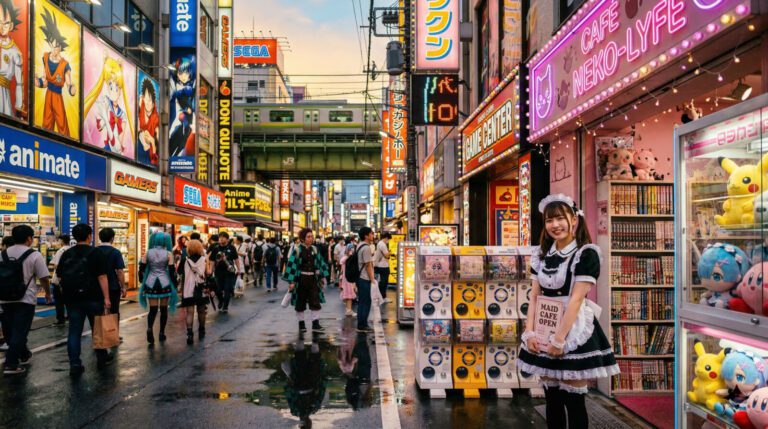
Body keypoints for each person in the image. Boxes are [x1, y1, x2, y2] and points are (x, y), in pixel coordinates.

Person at [518, 194, 620, 429]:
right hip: (544, 326)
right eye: (549, 220)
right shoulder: (542, 254)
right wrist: (530, 332)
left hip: (572, 330)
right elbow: (534, 296)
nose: (555, 225)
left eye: (560, 219)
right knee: (551, 398)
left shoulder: (586, 253)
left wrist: (559, 339)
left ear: (574, 219)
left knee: (574, 401)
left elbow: (575, 300)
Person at [57, 224, 112, 375]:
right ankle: (102, 357)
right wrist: (107, 298)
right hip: (94, 297)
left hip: (72, 298)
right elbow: (102, 276)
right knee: (97, 328)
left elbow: (60, 275)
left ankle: (75, 364)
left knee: (74, 331)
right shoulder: (96, 253)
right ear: (89, 236)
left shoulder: (67, 254)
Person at [0, 225, 51, 375]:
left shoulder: (2, 254)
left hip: (5, 298)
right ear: (29, 238)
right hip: (26, 299)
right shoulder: (34, 255)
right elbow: (43, 277)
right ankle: (11, 364)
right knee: (20, 331)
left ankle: (23, 354)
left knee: (11, 330)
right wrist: (48, 294)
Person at [283, 228, 329, 332]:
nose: (311, 238)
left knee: (315, 300)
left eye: (311, 236)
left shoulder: (315, 249)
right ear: (303, 239)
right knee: (300, 302)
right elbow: (292, 266)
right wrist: (291, 281)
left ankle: (315, 324)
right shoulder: (297, 250)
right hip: (301, 280)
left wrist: (322, 277)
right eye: (308, 237)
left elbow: (321, 263)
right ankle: (301, 324)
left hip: (313, 279)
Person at [139, 232, 178, 345]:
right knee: (164, 310)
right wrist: (174, 285)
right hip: (164, 283)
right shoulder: (168, 254)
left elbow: (141, 269)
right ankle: (161, 333)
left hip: (150, 283)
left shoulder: (147, 253)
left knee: (153, 310)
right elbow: (171, 272)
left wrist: (142, 281)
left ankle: (150, 328)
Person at [177, 239, 208, 344]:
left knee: (190, 312)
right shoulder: (204, 259)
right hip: (201, 288)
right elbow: (208, 273)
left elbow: (179, 272)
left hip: (188, 289)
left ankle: (189, 334)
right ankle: (201, 329)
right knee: (201, 310)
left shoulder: (184, 260)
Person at [208, 232, 240, 313]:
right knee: (218, 289)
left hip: (229, 272)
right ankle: (221, 300)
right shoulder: (216, 248)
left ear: (227, 239)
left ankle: (225, 306)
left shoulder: (232, 248)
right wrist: (210, 269)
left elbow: (236, 259)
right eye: (220, 237)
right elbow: (211, 260)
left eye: (223, 237)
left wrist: (238, 269)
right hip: (218, 272)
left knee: (227, 289)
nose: (221, 239)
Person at [98, 228, 126, 319]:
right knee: (114, 312)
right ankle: (112, 332)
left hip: (97, 286)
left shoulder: (94, 251)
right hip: (112, 287)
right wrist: (123, 287)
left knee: (98, 313)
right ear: (112, 238)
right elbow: (120, 271)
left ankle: (99, 331)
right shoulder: (115, 252)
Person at [355, 227, 376, 333]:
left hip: (359, 277)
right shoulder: (366, 247)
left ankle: (361, 323)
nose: (373, 235)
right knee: (366, 302)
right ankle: (362, 325)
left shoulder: (359, 245)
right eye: (371, 233)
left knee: (362, 302)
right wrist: (372, 279)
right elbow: (368, 265)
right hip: (364, 278)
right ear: (366, 236)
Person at [49, 234, 72, 325]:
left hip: (59, 280)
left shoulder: (60, 251)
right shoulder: (71, 250)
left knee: (59, 301)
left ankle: (60, 319)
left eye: (59, 240)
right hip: (70, 279)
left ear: (62, 241)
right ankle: (70, 315)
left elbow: (57, 265)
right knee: (69, 299)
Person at [339, 244, 357, 317]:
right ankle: (348, 310)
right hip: (347, 278)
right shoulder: (346, 258)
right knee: (349, 295)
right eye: (351, 249)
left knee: (348, 294)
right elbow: (342, 262)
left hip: (345, 278)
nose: (352, 251)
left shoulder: (346, 258)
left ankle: (348, 309)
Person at [373, 233, 392, 304]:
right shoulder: (382, 244)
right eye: (389, 239)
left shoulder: (379, 243)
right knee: (384, 282)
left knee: (382, 282)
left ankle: (382, 297)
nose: (389, 241)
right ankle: (383, 297)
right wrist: (390, 252)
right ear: (386, 238)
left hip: (380, 265)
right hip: (383, 266)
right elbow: (387, 256)